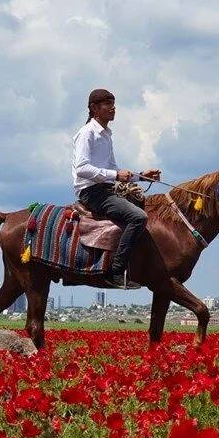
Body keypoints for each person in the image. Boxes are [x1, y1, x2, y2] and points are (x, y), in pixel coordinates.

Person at [72, 88, 160, 288]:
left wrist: (142, 177)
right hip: (92, 192)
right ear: (95, 108)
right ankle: (116, 271)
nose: (113, 108)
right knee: (138, 217)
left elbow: (113, 169)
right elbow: (82, 169)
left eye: (113, 104)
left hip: (106, 189)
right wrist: (115, 175)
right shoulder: (86, 133)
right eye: (108, 104)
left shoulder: (106, 135)